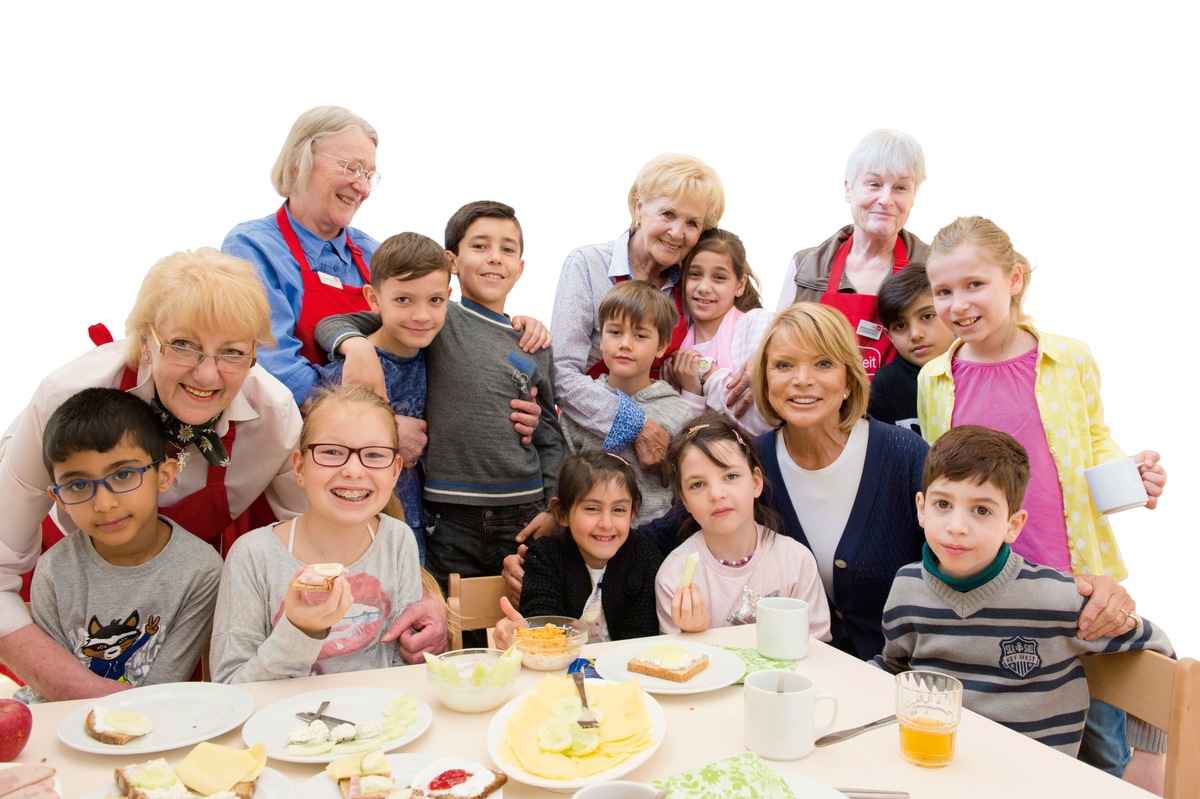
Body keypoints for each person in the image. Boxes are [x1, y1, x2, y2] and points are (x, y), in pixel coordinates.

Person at [917, 215, 1168, 780]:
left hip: (1072, 574)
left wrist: (1130, 475)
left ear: (1015, 278)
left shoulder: (1069, 359)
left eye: (974, 284)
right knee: (1013, 730)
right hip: (988, 582)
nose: (958, 304)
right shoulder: (936, 377)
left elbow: (1093, 439)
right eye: (944, 291)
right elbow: (942, 482)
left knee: (1100, 734)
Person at [0, 248, 307, 701]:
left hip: (194, 605)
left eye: (232, 352)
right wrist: (82, 693)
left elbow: (310, 545)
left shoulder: (274, 416)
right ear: (146, 341)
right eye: (183, 344)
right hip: (78, 605)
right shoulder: (65, 396)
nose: (207, 373)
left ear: (255, 356)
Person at [223, 107, 543, 460]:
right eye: (351, 167)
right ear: (299, 162)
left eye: (369, 175)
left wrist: (508, 359)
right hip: (292, 451)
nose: (362, 186)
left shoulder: (373, 253)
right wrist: (378, 427)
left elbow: (438, 331)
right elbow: (273, 365)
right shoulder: (252, 246)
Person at [875, 426, 1172, 774]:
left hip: (1036, 782)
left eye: (981, 511)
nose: (957, 526)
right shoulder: (906, 587)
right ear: (922, 509)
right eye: (943, 504)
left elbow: (1158, 649)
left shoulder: (1059, 598)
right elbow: (896, 670)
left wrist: (1150, 758)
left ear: (1013, 525)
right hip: (936, 772)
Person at [315, 202, 565, 592]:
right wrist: (353, 345)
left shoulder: (533, 341)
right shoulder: (436, 316)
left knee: (525, 616)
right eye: (480, 246)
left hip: (524, 508)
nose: (495, 258)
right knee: (449, 619)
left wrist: (554, 507)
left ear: (521, 266)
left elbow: (550, 434)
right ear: (453, 261)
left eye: (508, 249)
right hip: (450, 515)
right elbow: (338, 323)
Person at [17, 389, 222, 703]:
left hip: (151, 722)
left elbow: (163, 689)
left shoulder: (201, 570)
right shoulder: (53, 570)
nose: (104, 503)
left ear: (164, 476)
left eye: (124, 475)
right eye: (79, 485)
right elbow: (51, 687)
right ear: (59, 498)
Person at [210, 385, 425, 682]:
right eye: (332, 452)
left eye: (374, 455)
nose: (353, 470)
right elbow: (230, 687)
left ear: (394, 471)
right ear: (299, 468)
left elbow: (404, 666)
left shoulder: (398, 540)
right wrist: (300, 631)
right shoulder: (253, 556)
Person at [551, 154, 726, 481]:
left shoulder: (691, 284)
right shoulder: (588, 265)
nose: (677, 232)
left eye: (692, 223)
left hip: (662, 454)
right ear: (638, 208)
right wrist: (637, 424)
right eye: (668, 214)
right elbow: (561, 372)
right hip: (589, 442)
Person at [316, 232, 452, 561]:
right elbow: (319, 439)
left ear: (448, 297)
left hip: (421, 529)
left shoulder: (439, 354)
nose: (421, 315)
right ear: (374, 299)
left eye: (434, 300)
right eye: (403, 300)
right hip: (358, 528)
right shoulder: (354, 369)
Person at [655, 414, 831, 637]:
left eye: (731, 476)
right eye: (697, 484)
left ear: (756, 482)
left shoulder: (795, 561)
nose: (716, 494)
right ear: (685, 500)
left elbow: (817, 649)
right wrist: (692, 634)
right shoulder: (675, 576)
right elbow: (676, 661)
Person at [776, 129, 929, 379]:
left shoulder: (933, 267)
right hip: (819, 415)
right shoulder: (805, 266)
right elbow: (777, 351)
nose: (886, 199)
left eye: (901, 187)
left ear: (913, 197)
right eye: (874, 184)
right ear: (848, 189)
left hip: (905, 416)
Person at [493, 451, 662, 647]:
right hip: (561, 672)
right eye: (592, 508)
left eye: (619, 510)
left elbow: (639, 641)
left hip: (623, 671)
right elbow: (544, 629)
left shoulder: (644, 555)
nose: (606, 524)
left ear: (633, 512)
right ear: (561, 512)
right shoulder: (545, 556)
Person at [560, 281, 692, 525]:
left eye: (640, 335)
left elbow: (683, 492)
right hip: (585, 542)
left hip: (654, 542)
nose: (625, 344)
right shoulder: (578, 407)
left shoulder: (680, 412)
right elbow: (561, 479)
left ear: (662, 345)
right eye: (615, 332)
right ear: (600, 337)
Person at [669, 229, 774, 435]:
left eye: (719, 277)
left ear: (740, 285)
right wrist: (692, 393)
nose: (704, 287)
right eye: (695, 274)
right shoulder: (675, 344)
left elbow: (762, 419)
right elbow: (679, 433)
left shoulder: (755, 324)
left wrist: (706, 371)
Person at [868, 264, 954, 434]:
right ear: (889, 335)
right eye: (900, 326)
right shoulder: (887, 382)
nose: (915, 334)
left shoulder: (975, 367)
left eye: (927, 316)